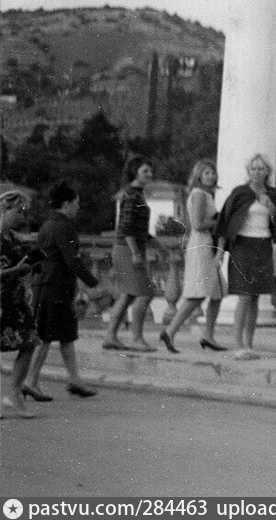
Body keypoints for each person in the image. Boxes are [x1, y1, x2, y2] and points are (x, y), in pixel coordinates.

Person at [22, 182, 103, 402]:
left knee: (66, 334)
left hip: (47, 285)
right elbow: (72, 261)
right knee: (47, 336)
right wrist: (94, 283)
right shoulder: (64, 226)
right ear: (67, 203)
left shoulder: (48, 224)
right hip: (55, 287)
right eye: (76, 202)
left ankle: (74, 379)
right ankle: (30, 381)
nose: (78, 207)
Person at [214, 153, 276, 359]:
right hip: (242, 246)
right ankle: (238, 343)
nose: (256, 172)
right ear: (248, 172)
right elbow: (225, 223)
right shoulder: (239, 193)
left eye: (261, 168)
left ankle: (249, 343)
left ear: (268, 172)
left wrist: (270, 207)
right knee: (244, 296)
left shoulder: (275, 195)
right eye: (253, 169)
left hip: (264, 246)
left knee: (256, 298)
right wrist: (220, 253)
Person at [160, 159, 227, 353]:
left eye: (213, 173)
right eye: (206, 173)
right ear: (198, 175)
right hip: (201, 245)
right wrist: (220, 222)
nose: (211, 176)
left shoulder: (206, 194)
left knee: (218, 291)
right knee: (198, 293)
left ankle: (208, 335)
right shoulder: (199, 194)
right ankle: (170, 330)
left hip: (207, 245)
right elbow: (197, 224)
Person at [102, 155, 158, 352]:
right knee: (145, 293)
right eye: (145, 171)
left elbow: (135, 226)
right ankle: (137, 338)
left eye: (150, 171)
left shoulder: (135, 193)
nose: (149, 174)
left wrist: (153, 241)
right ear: (135, 173)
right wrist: (136, 253)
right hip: (127, 249)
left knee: (127, 294)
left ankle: (110, 336)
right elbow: (126, 227)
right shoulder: (132, 195)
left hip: (126, 247)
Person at [1, 189, 42, 418]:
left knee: (28, 342)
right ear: (4, 209)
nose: (22, 218)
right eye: (18, 212)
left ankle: (14, 393)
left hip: (14, 298)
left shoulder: (13, 238)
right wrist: (16, 270)